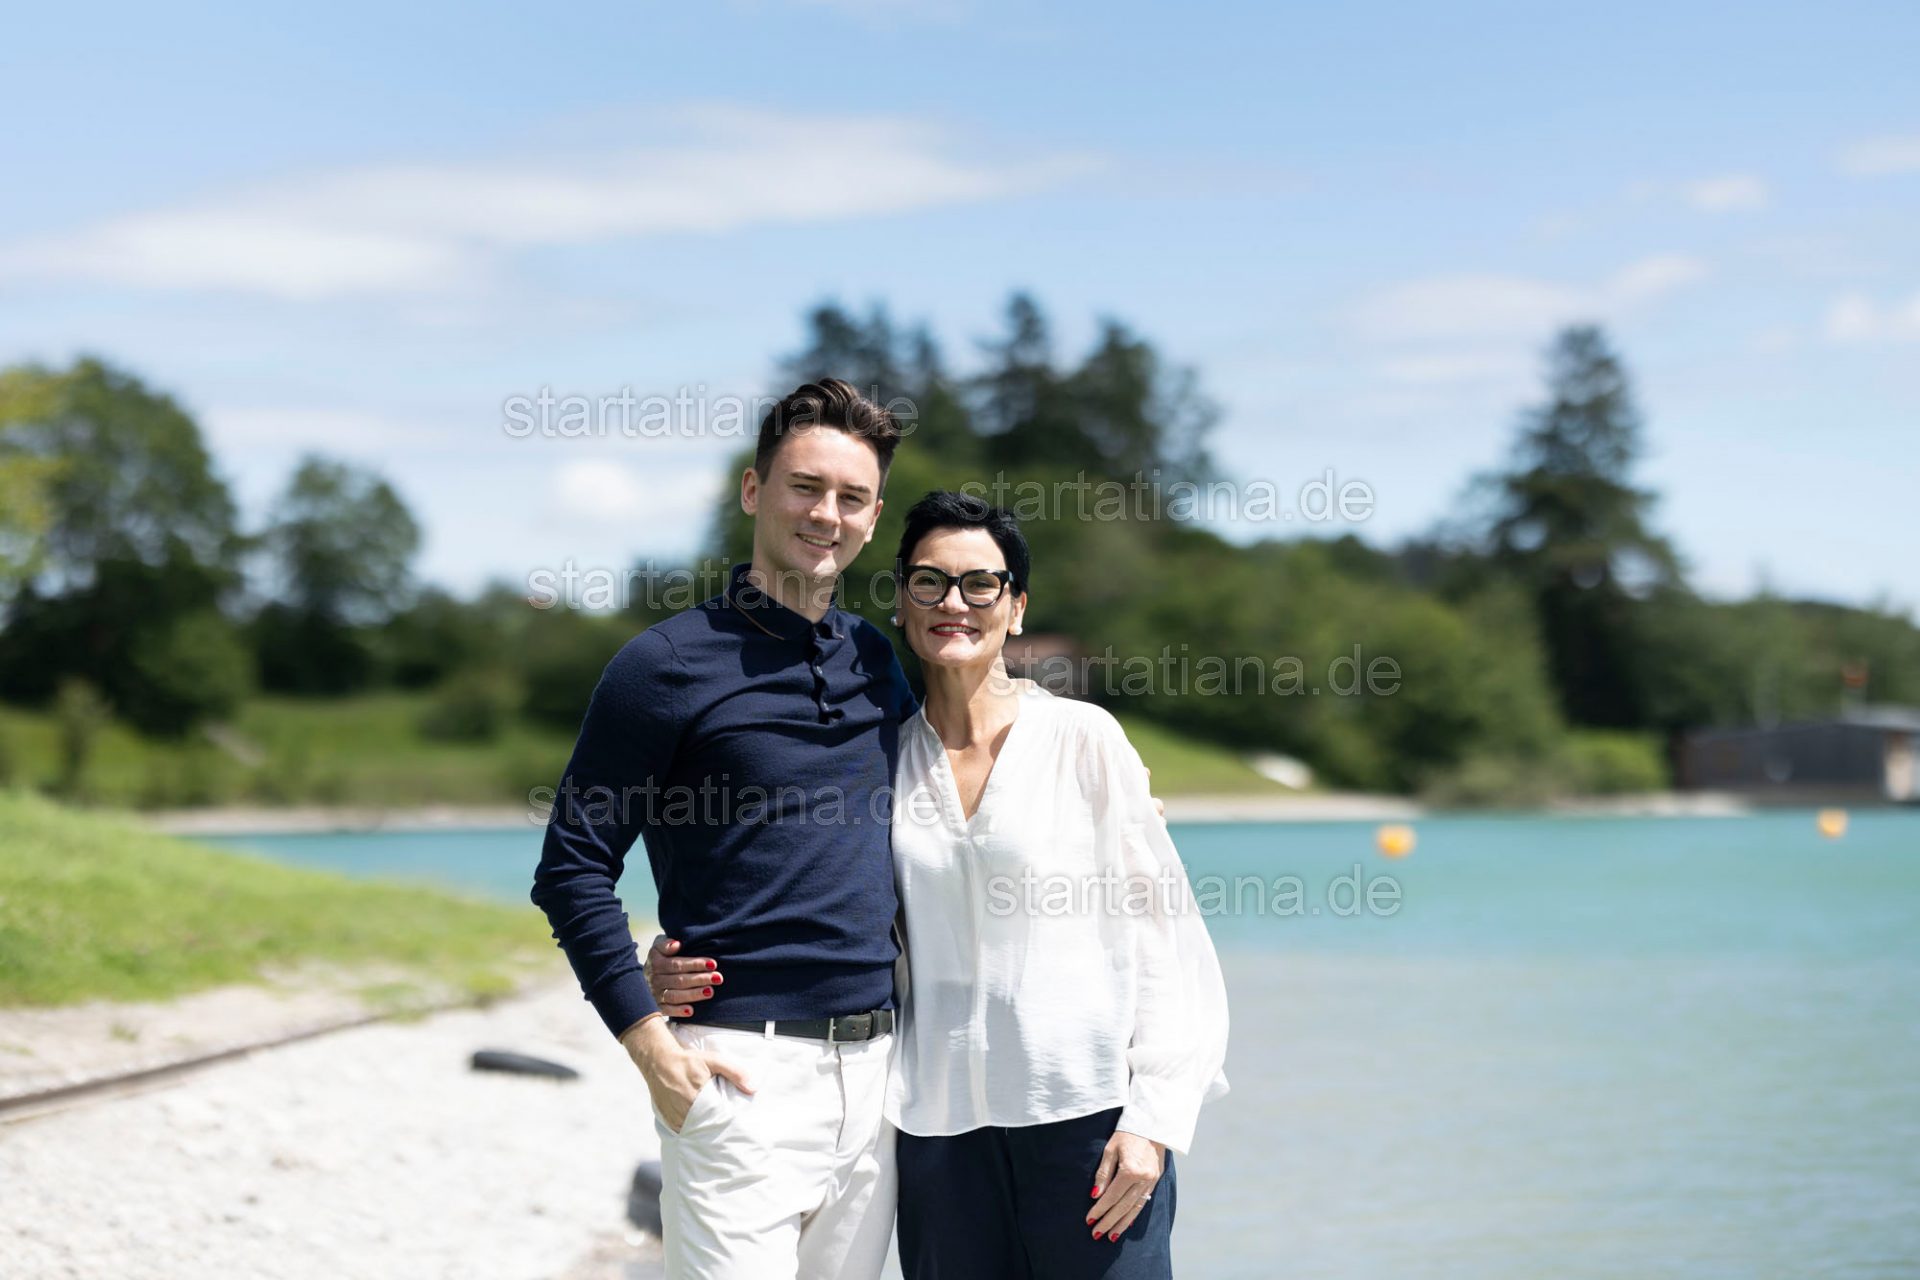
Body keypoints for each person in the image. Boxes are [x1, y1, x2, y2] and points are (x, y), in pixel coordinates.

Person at [652, 491, 1230, 1279]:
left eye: (980, 584)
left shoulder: (1083, 740)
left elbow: (1167, 940)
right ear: (902, 601)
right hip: (937, 1140)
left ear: (1016, 607)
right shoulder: (880, 759)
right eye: (930, 581)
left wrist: (1155, 1119)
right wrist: (676, 959)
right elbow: (802, 888)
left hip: (1089, 1125)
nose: (954, 602)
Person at [529, 379, 917, 1280]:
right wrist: (646, 1038)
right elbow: (572, 866)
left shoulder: (875, 660)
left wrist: (1107, 801)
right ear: (754, 490)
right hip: (738, 1070)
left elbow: (955, 792)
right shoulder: (662, 666)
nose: (826, 514)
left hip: (877, 1080)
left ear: (872, 517)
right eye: (805, 487)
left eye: (851, 497)